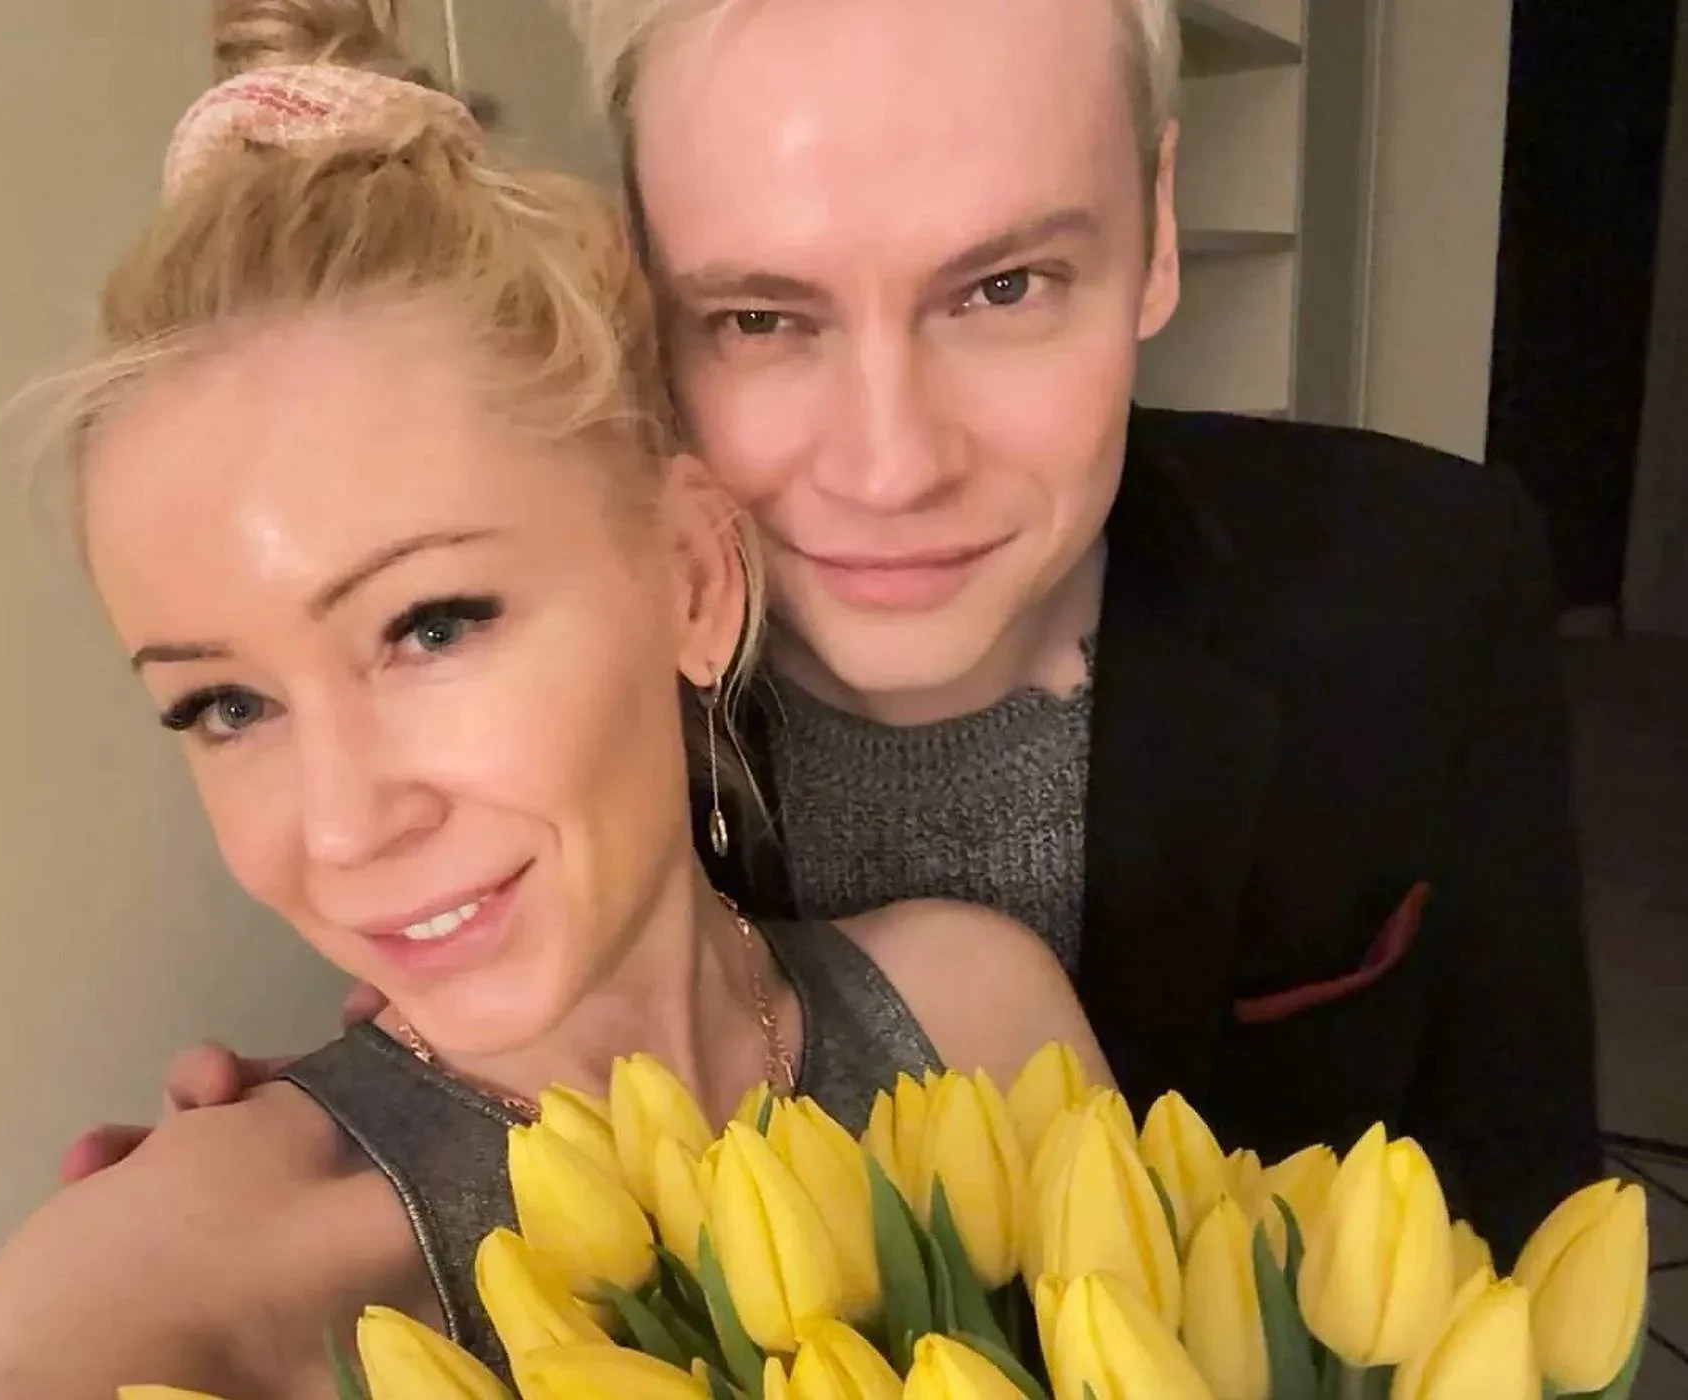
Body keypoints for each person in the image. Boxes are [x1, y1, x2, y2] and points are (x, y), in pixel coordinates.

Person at [77, 0, 1602, 1265]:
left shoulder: (1422, 581)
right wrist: (370, 1142)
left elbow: (1520, 1221)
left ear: (1154, 232)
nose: (889, 468)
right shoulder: (549, 682)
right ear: (639, 294)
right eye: (758, 318)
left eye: (1002, 287)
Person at [0, 5, 1105, 1396]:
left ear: (693, 576)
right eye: (225, 707)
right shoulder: (194, 1282)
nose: (343, 825)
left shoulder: (972, 1016)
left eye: (430, 627)